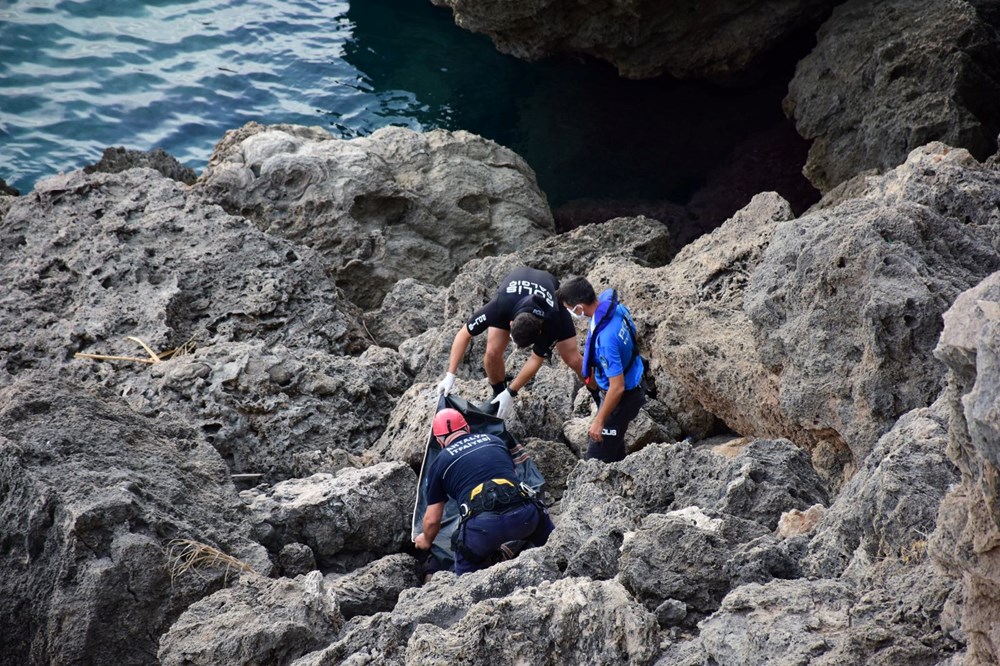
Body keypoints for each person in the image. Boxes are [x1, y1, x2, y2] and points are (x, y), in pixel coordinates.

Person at [414, 408, 555, 575]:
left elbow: (432, 520)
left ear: (439, 441)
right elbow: (514, 477)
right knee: (553, 545)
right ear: (467, 428)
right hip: (524, 517)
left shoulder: (439, 463)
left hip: (483, 530)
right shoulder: (494, 440)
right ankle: (560, 561)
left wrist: (426, 540)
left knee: (465, 576)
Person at [437, 267, 583, 419]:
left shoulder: (551, 319)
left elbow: (536, 358)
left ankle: (598, 393)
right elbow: (463, 334)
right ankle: (498, 393)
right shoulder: (499, 307)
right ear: (510, 324)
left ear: (540, 332)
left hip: (549, 289)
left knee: (572, 358)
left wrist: (511, 392)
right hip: (512, 296)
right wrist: (450, 374)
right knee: (492, 352)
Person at [556, 277, 647, 463]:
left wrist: (599, 421)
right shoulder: (616, 309)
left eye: (569, 308)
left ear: (579, 308)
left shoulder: (606, 340)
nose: (569, 313)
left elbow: (617, 387)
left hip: (624, 397)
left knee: (596, 458)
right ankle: (620, 466)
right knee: (614, 443)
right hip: (636, 378)